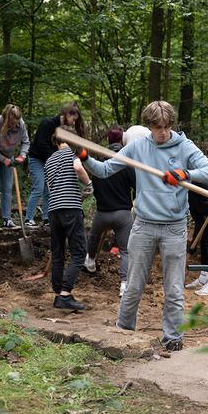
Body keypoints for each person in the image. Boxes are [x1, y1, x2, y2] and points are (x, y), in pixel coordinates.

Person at [79, 101, 208, 351]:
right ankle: (123, 333)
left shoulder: (185, 146)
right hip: (143, 226)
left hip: (174, 228)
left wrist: (187, 174)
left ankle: (173, 337)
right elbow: (103, 170)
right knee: (133, 286)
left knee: (174, 289)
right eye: (158, 127)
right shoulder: (137, 147)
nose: (163, 132)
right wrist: (85, 158)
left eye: (167, 127)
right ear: (149, 126)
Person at [83, 127, 136, 298]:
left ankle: (90, 261)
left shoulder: (100, 164)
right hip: (123, 214)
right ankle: (124, 284)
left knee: (94, 236)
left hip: (102, 213)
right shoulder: (127, 164)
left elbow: (95, 188)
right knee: (126, 250)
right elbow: (137, 187)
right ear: (122, 142)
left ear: (108, 141)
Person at [45, 125, 92, 310]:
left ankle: (58, 293)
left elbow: (50, 187)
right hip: (70, 208)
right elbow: (78, 167)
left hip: (53, 210)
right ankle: (65, 294)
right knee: (79, 252)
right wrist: (88, 184)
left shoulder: (48, 161)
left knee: (58, 253)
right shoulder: (71, 155)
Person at [25, 102, 86, 227]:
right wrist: (57, 158)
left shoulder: (65, 129)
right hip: (37, 158)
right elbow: (41, 145)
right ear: (67, 114)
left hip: (50, 159)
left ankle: (46, 218)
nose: (74, 122)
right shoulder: (48, 123)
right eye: (73, 119)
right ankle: (28, 218)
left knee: (49, 189)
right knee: (39, 187)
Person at [0, 104, 30, 231]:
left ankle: (7, 219)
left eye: (16, 123)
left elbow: (26, 142)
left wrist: (22, 155)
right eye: (12, 123)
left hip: (9, 155)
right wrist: (3, 159)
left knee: (8, 188)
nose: (15, 126)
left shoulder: (21, 124)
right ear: (6, 119)